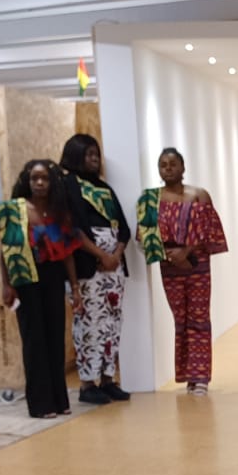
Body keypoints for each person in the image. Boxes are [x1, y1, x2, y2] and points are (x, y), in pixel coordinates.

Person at [136, 148, 228, 394]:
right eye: (163, 165)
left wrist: (186, 253)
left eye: (173, 164)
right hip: (169, 267)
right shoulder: (150, 199)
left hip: (197, 265)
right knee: (181, 319)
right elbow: (145, 237)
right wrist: (172, 256)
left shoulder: (199, 195)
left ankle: (201, 378)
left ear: (183, 167)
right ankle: (188, 375)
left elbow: (209, 230)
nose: (168, 169)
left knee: (199, 318)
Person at [0, 160, 82, 418]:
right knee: (34, 341)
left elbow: (68, 253)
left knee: (55, 337)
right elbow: (5, 250)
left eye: (44, 178)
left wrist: (74, 286)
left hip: (53, 277)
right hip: (25, 279)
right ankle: (40, 404)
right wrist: (6, 284)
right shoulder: (16, 209)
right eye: (35, 178)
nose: (40, 183)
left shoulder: (59, 211)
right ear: (27, 180)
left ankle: (59, 399)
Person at [60, 134, 133, 404]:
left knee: (112, 322)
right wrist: (101, 254)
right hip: (87, 265)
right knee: (89, 323)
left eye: (96, 154)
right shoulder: (67, 186)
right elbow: (72, 229)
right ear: (75, 155)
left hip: (114, 267)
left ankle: (108, 378)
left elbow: (123, 228)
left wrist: (115, 255)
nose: (94, 159)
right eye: (88, 154)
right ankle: (87, 383)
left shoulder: (104, 188)